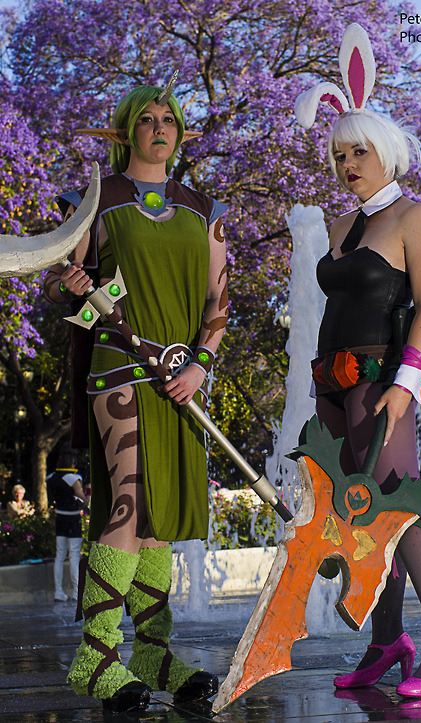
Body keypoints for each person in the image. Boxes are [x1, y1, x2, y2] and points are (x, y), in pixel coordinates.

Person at [294, 24, 421, 698]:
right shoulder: (341, 226)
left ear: (385, 149)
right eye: (338, 154)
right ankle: (386, 639)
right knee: (358, 513)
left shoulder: (413, 217)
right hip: (331, 386)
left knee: (399, 503)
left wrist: (406, 381)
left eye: (358, 151)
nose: (347, 164)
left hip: (383, 382)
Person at [42, 78, 228, 712]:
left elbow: (218, 302)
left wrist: (201, 365)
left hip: (181, 378)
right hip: (120, 369)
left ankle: (152, 652)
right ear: (126, 131)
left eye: (168, 118)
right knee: (128, 505)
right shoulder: (95, 203)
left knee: (158, 519)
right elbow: (69, 295)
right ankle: (97, 656)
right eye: (146, 119)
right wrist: (75, 286)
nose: (159, 127)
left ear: (179, 131)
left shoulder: (203, 209)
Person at [47, 443, 89, 602]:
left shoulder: (51, 478)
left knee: (59, 555)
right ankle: (77, 592)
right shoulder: (73, 479)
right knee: (74, 555)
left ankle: (58, 591)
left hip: (60, 518)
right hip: (73, 518)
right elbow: (84, 502)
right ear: (73, 460)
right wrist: (88, 492)